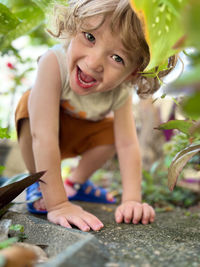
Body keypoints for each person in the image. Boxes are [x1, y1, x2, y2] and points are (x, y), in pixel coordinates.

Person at [15, 0, 175, 232]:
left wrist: (132, 200)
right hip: (44, 132)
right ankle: (38, 184)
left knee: (113, 132)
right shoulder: (54, 62)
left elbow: (128, 144)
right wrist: (58, 204)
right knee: (26, 106)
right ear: (74, 26)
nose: (93, 63)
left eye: (117, 58)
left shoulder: (120, 90)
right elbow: (44, 136)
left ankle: (75, 182)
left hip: (81, 132)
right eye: (89, 37)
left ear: (132, 73)